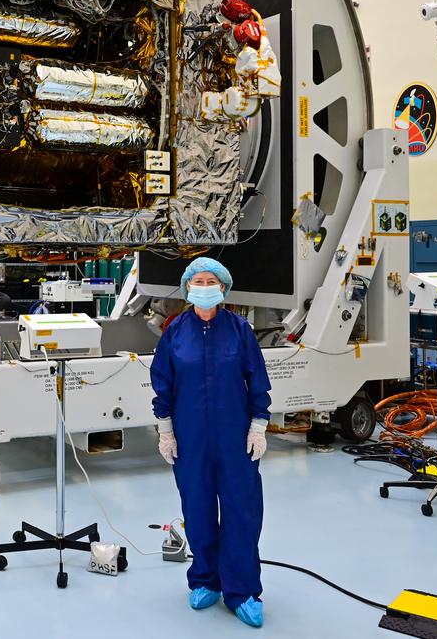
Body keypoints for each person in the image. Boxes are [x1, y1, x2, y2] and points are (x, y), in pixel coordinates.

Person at [150, 258, 272, 629]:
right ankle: (205, 580)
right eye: (198, 280)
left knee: (242, 512)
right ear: (187, 288)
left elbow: (258, 379)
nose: (204, 286)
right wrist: (165, 429)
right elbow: (163, 383)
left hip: (235, 438)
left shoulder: (239, 330)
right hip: (191, 440)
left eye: (211, 280)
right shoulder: (175, 333)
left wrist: (259, 425)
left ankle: (243, 591)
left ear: (223, 288)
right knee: (198, 511)